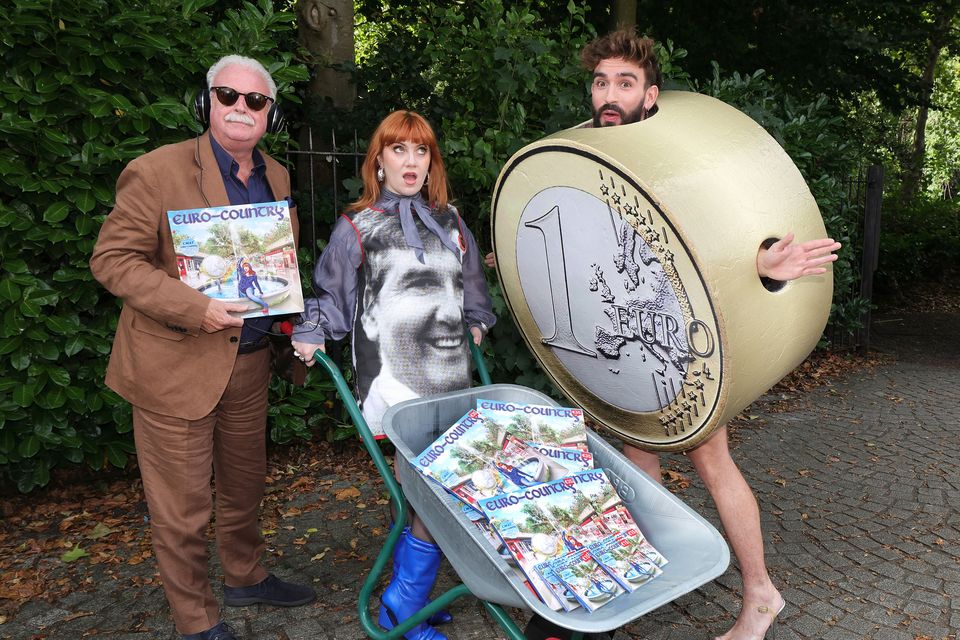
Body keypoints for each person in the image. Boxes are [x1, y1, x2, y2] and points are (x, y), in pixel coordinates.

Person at [520, 29, 841, 640]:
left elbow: (716, 224)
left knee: (712, 462)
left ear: (651, 94)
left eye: (625, 83)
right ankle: (619, 586)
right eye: (600, 82)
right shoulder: (587, 152)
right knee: (634, 465)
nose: (609, 94)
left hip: (673, 346)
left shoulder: (667, 153)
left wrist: (764, 261)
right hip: (619, 346)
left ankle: (760, 593)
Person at [90, 55, 315, 640]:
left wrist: (297, 325)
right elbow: (112, 260)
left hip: (249, 365)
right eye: (227, 96)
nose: (241, 108)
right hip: (176, 368)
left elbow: (273, 267)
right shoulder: (156, 171)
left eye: (255, 101)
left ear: (272, 113)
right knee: (182, 511)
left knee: (244, 488)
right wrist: (197, 307)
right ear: (206, 103)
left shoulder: (278, 174)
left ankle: (245, 576)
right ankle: (196, 621)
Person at [290, 110, 496, 640]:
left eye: (421, 150)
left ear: (432, 162)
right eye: (398, 149)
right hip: (397, 381)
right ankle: (400, 609)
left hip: (450, 376)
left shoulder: (450, 221)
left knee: (429, 487)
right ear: (377, 161)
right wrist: (314, 331)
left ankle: (416, 594)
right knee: (428, 491)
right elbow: (333, 292)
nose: (411, 161)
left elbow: (470, 284)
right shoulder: (357, 226)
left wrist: (475, 319)